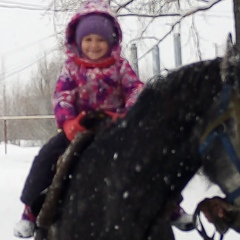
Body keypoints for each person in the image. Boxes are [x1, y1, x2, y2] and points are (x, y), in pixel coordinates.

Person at [13, 0, 193, 238]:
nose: (94, 45)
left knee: (152, 159)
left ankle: (170, 205)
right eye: (88, 40)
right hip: (80, 129)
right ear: (78, 42)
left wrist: (126, 117)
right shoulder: (71, 70)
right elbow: (62, 97)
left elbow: (137, 92)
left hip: (117, 129)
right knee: (48, 157)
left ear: (111, 42)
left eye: (100, 40)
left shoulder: (120, 67)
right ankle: (31, 212)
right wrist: (69, 123)